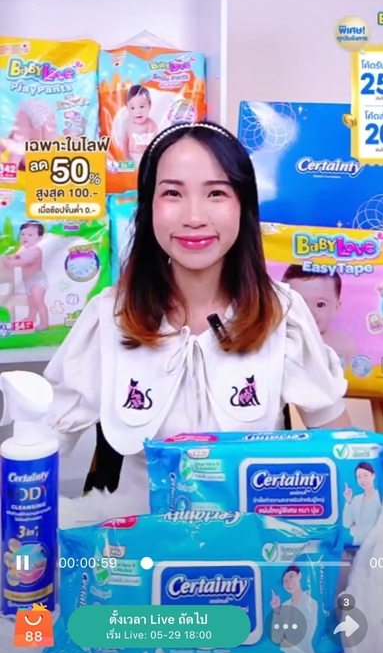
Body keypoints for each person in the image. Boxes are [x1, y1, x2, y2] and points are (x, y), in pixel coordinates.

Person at [43, 122, 351, 504]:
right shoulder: (109, 316)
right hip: (141, 534)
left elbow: (344, 453)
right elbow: (42, 441)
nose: (194, 216)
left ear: (243, 205)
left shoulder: (282, 314)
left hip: (256, 534)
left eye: (216, 193)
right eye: (172, 192)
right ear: (148, 206)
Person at [282, 265, 356, 370]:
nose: (309, 312)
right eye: (300, 303)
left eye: (320, 304)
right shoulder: (279, 338)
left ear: (336, 307)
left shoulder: (342, 344)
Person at [4, 221, 49, 329]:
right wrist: (12, 256)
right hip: (28, 282)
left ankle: (44, 323)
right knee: (31, 302)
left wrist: (7, 261)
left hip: (38, 282)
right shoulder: (24, 249)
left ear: (40, 238)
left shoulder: (35, 251)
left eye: (30, 235)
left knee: (38, 302)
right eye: (22, 234)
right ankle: (31, 318)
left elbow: (21, 262)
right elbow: (17, 256)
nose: (25, 237)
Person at [270, 564, 318, 653]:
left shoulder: (311, 604)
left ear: (299, 575)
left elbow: (305, 636)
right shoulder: (285, 605)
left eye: (291, 576)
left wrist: (285, 639)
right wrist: (276, 611)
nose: (289, 582)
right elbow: (276, 638)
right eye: (285, 581)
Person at [342, 462, 382, 546]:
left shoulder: (380, 498)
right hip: (357, 544)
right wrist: (348, 501)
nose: (362, 480)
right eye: (359, 477)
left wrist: (356, 529)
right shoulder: (356, 499)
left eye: (365, 475)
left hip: (376, 545)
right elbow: (347, 524)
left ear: (373, 476)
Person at [122, 85, 158, 167]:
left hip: (146, 156)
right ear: (127, 108)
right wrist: (126, 157)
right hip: (131, 156)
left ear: (149, 106)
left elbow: (154, 143)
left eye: (142, 106)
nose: (138, 111)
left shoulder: (151, 124)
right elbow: (124, 142)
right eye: (132, 108)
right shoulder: (128, 124)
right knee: (129, 171)